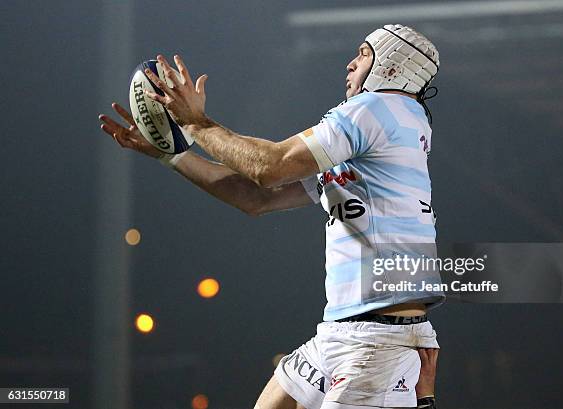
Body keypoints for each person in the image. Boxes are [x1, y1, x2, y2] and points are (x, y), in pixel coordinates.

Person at [99, 24, 443, 409]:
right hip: (347, 332)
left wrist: (194, 122)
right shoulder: (395, 125)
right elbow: (256, 197)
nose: (350, 63)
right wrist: (170, 153)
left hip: (376, 341)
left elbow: (270, 165)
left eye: (363, 54)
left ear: (393, 67)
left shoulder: (375, 108)